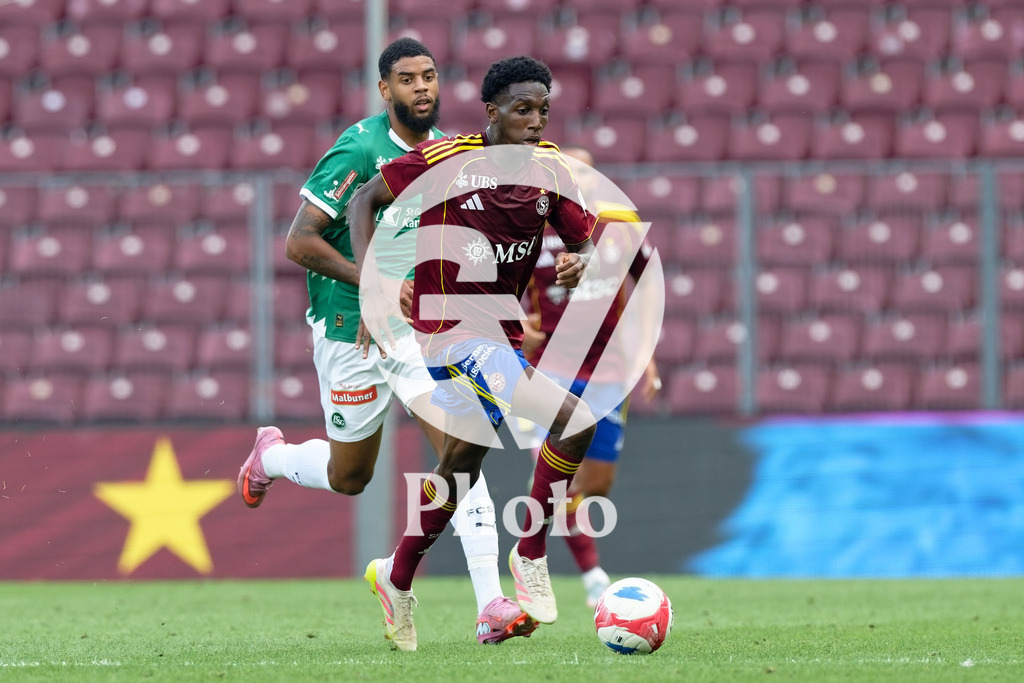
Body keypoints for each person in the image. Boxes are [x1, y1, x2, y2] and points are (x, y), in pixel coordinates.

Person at [236, 38, 535, 647]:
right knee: (351, 477)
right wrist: (374, 285)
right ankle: (270, 458)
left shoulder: (449, 153)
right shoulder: (359, 148)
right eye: (407, 79)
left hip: (417, 328)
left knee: (462, 446)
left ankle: (492, 606)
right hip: (350, 328)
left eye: (429, 77)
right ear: (385, 90)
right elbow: (300, 242)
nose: (422, 88)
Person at [348, 56, 599, 651]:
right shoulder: (446, 161)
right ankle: (531, 552)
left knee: (460, 466)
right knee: (573, 421)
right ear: (492, 112)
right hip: (451, 333)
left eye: (542, 109)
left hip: (504, 334)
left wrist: (580, 262)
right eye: (522, 109)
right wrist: (371, 285)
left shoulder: (550, 172)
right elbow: (363, 202)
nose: (535, 121)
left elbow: (587, 244)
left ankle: (397, 574)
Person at [519, 145, 663, 608]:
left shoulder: (618, 230)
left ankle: (575, 556)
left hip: (609, 371)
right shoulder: (527, 231)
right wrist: (515, 321)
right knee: (557, 479)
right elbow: (494, 285)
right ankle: (591, 574)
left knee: (597, 488)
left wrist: (648, 356)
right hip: (553, 370)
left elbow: (645, 287)